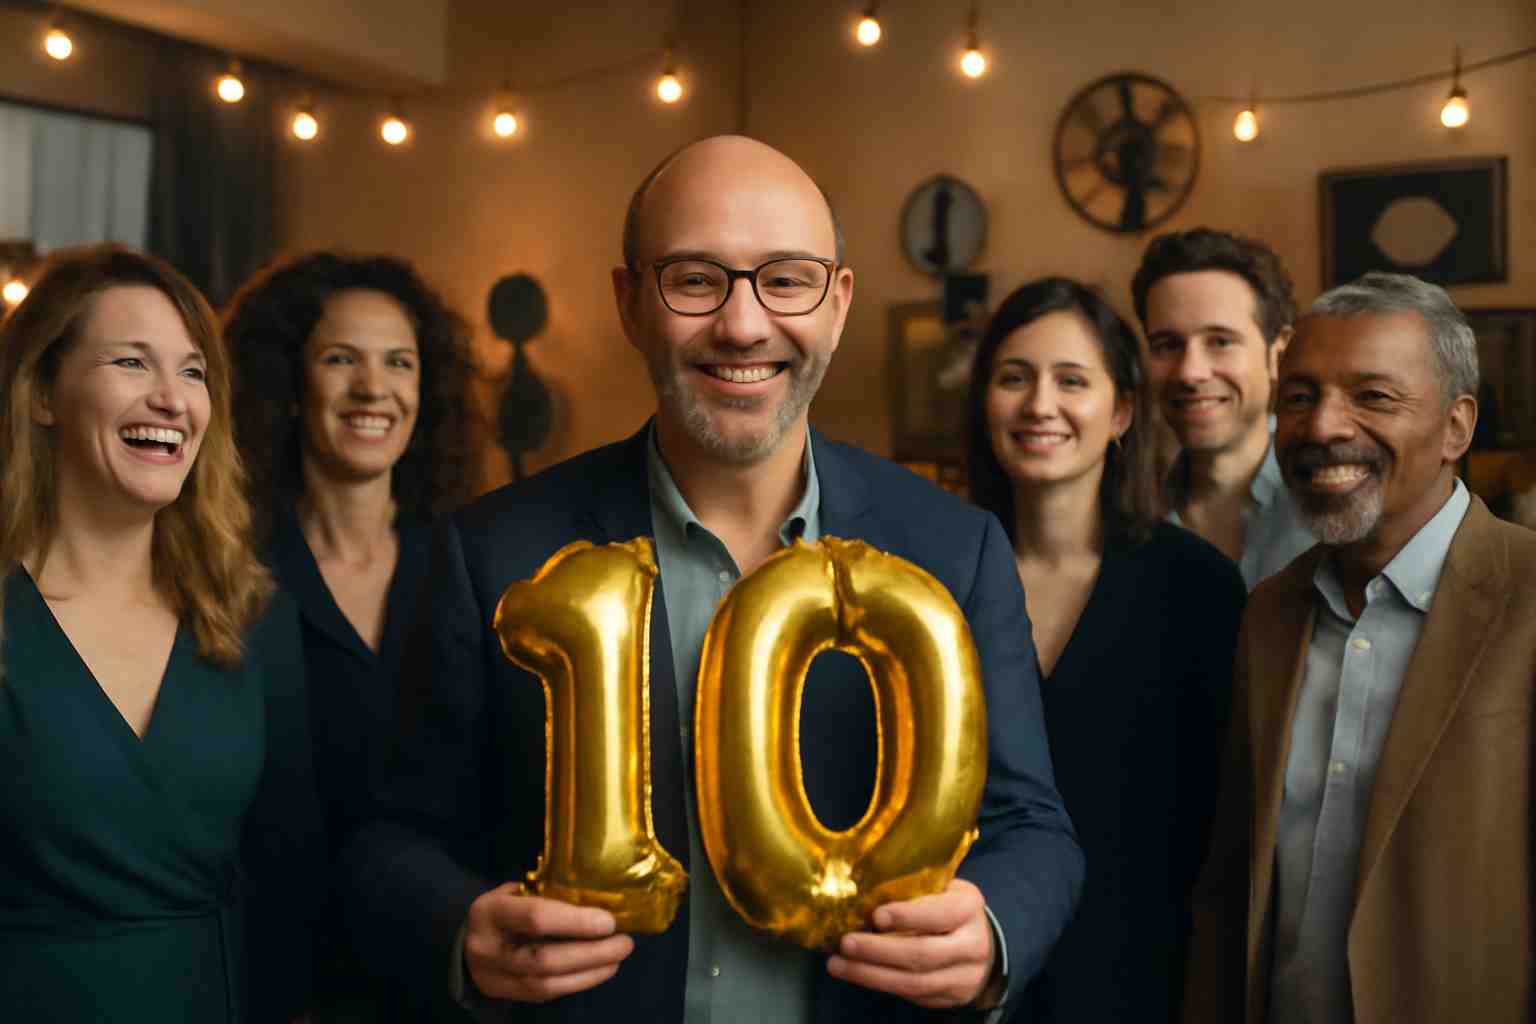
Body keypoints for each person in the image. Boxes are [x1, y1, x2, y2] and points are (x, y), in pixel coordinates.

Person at [343, 135, 1084, 1022]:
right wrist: (458, 930)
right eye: (696, 279)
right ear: (629, 302)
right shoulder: (487, 552)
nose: (743, 324)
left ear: (838, 304)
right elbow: (388, 836)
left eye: (787, 278)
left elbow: (1032, 828)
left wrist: (993, 930)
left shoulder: (954, 549)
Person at [1183, 272, 1536, 1024]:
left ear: (1456, 428)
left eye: (1372, 396)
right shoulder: (1270, 614)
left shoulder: (1528, 600)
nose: (1322, 428)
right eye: (1301, 397)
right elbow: (1232, 879)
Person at [0, 244, 322, 1022]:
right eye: (132, 363)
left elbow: (293, 878)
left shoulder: (250, 615)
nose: (173, 400)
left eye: (192, 371)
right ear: (43, 390)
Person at [966, 277, 1245, 1022]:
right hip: (966, 982)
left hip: (1141, 985)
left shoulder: (1199, 588)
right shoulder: (932, 578)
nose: (1039, 406)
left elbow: (1223, 835)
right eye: (1013, 378)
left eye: (1072, 381)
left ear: (1121, 410)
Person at [224, 252, 478, 1020]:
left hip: (446, 984)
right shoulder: (229, 571)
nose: (374, 389)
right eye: (341, 359)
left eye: (399, 363)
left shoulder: (474, 563)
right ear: (291, 386)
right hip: (275, 988)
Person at [1132, 228, 1315, 589]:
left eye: (1220, 341)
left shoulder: (1338, 499)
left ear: (1280, 355)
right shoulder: (1131, 515)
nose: (1190, 372)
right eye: (1167, 345)